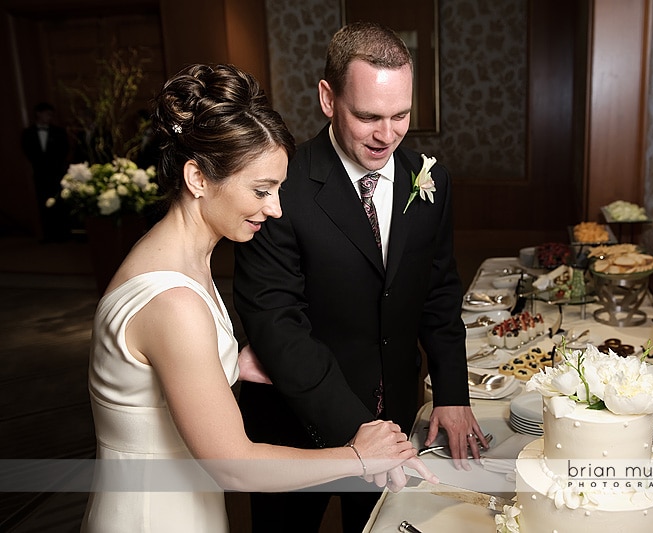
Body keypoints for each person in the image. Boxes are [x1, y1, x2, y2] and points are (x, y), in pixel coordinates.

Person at [80, 63, 436, 533]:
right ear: (198, 178)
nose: (276, 208)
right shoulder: (174, 302)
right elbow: (234, 465)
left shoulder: (177, 257)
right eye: (261, 190)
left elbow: (163, 371)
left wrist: (229, 363)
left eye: (279, 189)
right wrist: (356, 456)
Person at [233, 22, 488, 532]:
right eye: (368, 116)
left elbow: (438, 290)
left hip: (395, 409)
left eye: (400, 115)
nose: (387, 134)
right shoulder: (280, 184)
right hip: (295, 425)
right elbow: (277, 323)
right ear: (329, 98)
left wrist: (453, 393)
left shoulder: (430, 177)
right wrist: (359, 433)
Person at [21, 101, 70, 241]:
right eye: (47, 114)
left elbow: (64, 151)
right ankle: (48, 235)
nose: (50, 117)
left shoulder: (59, 132)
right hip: (40, 174)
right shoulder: (28, 134)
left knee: (60, 204)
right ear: (38, 114)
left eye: (51, 114)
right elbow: (29, 152)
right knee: (43, 205)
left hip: (57, 174)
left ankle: (63, 235)